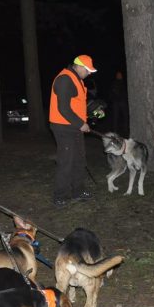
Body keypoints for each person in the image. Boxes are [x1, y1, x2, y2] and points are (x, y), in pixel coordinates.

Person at [49, 55, 98, 208]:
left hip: (74, 127)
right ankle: (60, 196)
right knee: (66, 161)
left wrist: (86, 117)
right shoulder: (65, 79)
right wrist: (80, 124)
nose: (89, 73)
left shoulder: (76, 79)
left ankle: (78, 191)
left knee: (79, 159)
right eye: (88, 70)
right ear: (79, 66)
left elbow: (76, 104)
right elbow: (63, 108)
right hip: (63, 127)